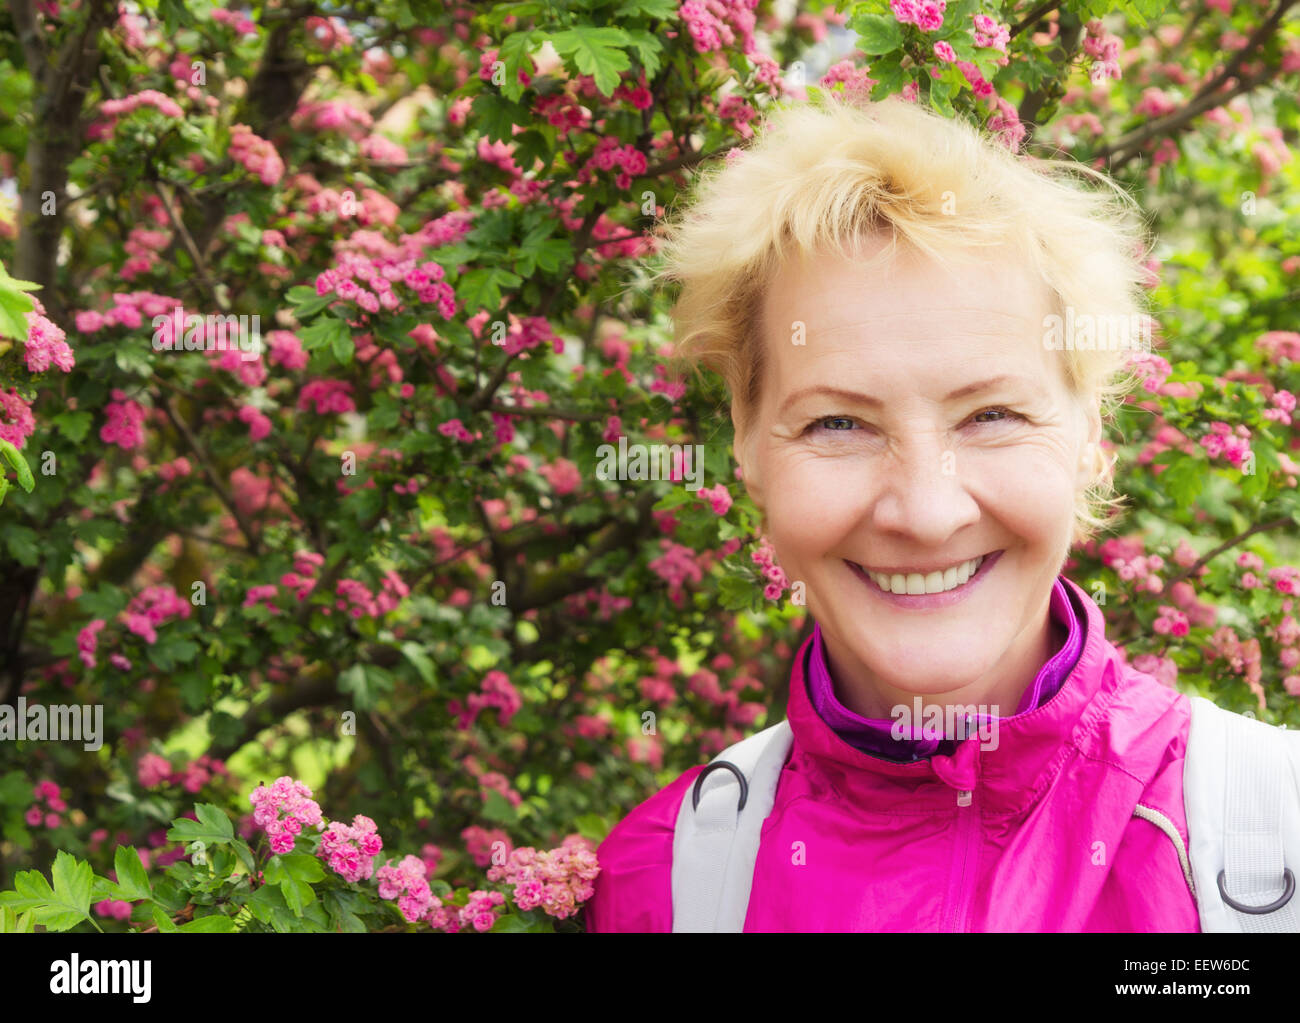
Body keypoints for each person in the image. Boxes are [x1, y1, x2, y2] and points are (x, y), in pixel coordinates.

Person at [586, 95, 1203, 932]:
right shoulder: (659, 881)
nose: (924, 510)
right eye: (837, 423)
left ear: (1092, 434)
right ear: (748, 443)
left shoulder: (1269, 835)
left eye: (992, 416)